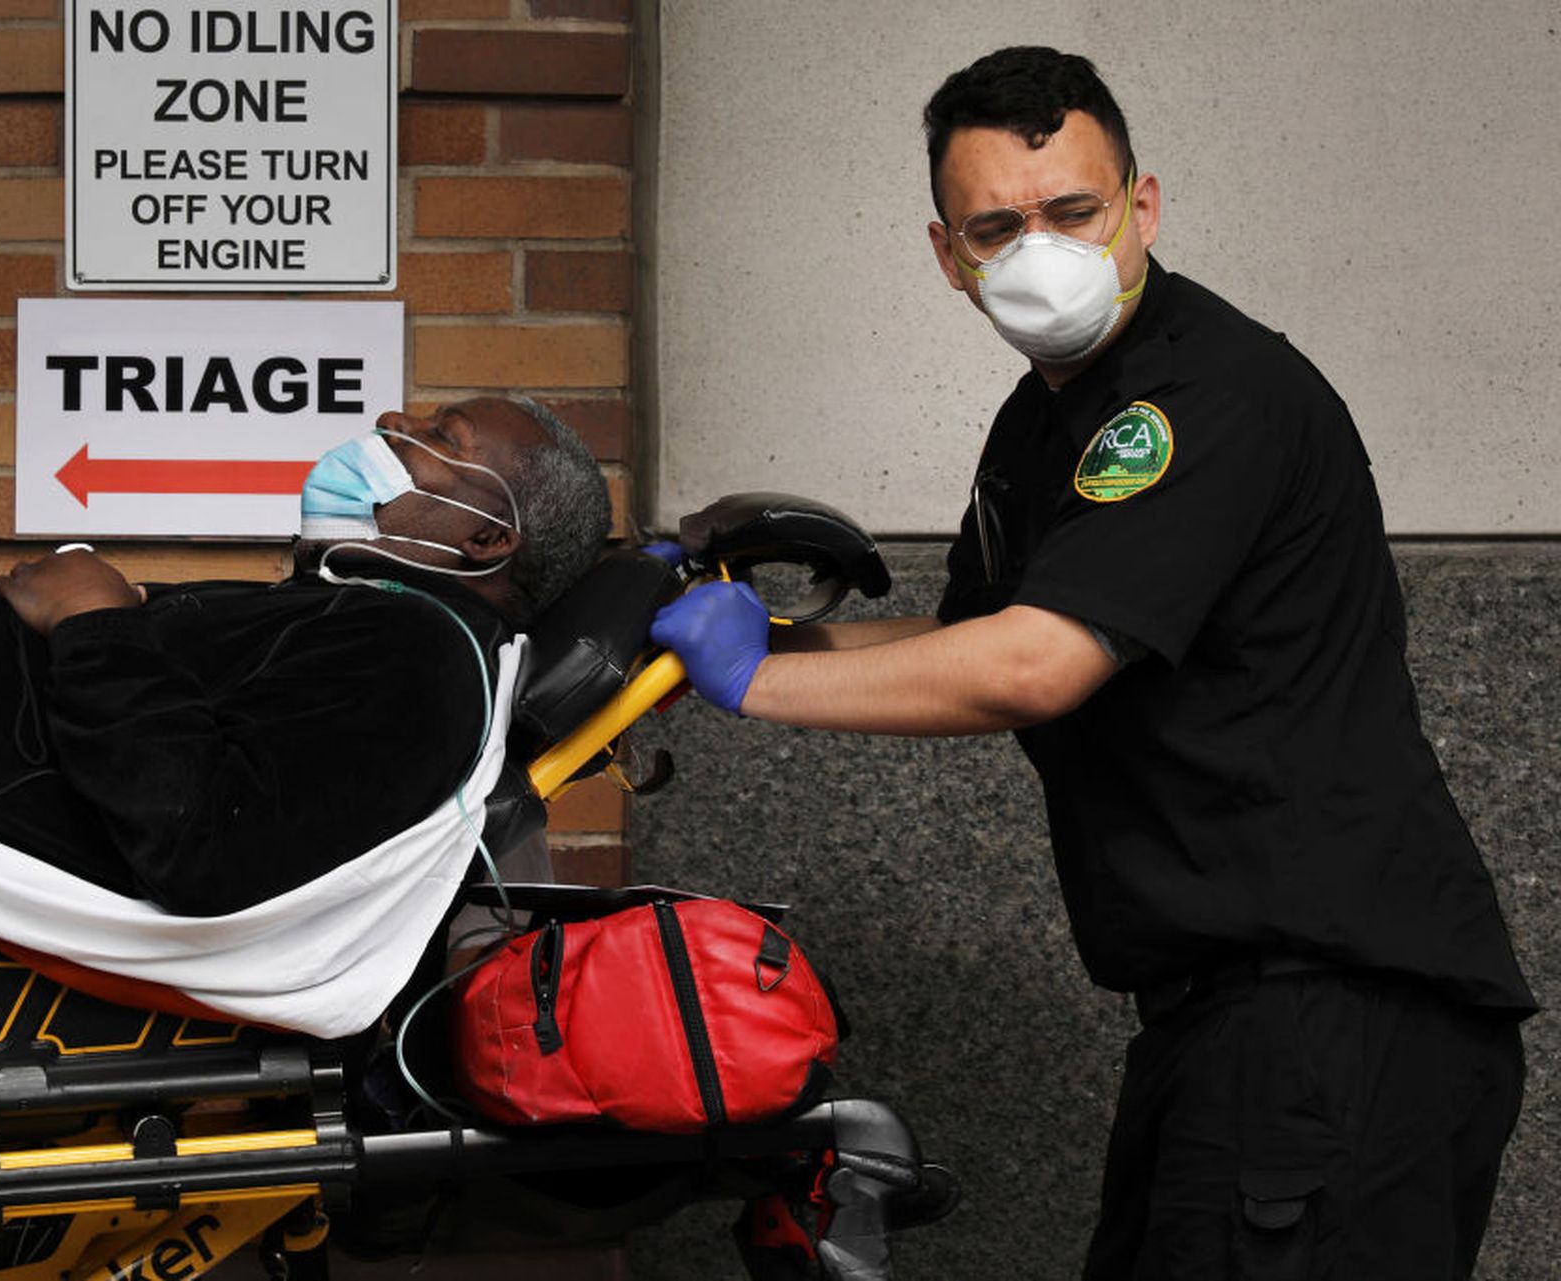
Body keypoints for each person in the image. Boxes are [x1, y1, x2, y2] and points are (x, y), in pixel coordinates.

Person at [649, 46, 1535, 1280]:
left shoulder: (1200, 395)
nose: (1040, 250)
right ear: (948, 256)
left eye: (1072, 210)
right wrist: (733, 638)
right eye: (996, 227)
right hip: (1226, 1023)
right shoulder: (1044, 421)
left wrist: (758, 681)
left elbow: (1032, 668)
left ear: (1143, 206)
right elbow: (971, 640)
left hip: (1337, 1012)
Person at [0, 395, 611, 917]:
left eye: (442, 438)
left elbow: (211, 843)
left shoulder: (421, 657)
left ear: (490, 537)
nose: (392, 417)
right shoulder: (365, 616)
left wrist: (91, 623)